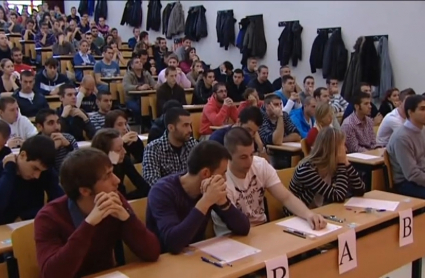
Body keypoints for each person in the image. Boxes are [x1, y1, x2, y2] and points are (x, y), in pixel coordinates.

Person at [34, 148, 160, 278]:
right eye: (107, 176)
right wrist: (89, 224)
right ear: (85, 191)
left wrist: (128, 219)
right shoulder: (49, 217)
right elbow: (51, 274)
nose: (117, 180)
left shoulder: (114, 199)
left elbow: (152, 252)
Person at [212, 127, 327, 236]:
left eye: (251, 154)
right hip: (232, 236)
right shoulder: (221, 179)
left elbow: (286, 197)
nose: (249, 161)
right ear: (228, 156)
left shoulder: (260, 165)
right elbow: (234, 225)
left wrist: (309, 214)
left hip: (261, 230)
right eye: (243, 157)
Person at [147, 140, 250, 253]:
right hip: (165, 261)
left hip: (197, 255)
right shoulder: (161, 191)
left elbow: (243, 228)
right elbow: (173, 243)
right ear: (205, 173)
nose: (225, 179)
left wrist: (223, 203)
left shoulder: (208, 187)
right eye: (222, 173)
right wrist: (205, 201)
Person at [289, 127, 365, 210]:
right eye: (343, 145)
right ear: (333, 150)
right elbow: (339, 196)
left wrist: (347, 164)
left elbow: (360, 190)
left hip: (321, 212)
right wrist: (341, 164)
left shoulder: (331, 165)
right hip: (299, 216)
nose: (346, 149)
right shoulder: (306, 170)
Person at [0, 135, 64, 225]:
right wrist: (10, 170)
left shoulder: (44, 171)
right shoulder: (5, 170)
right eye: (35, 168)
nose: (37, 176)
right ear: (22, 155)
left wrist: (24, 216)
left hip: (31, 225)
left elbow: (60, 203)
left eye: (41, 171)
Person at [143, 107, 198, 186]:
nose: (190, 130)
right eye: (185, 125)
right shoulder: (153, 149)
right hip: (166, 195)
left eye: (190, 125)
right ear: (171, 128)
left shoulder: (193, 145)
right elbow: (153, 181)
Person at [92, 129, 150, 199]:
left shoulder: (124, 160)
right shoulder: (95, 171)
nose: (124, 151)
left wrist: (124, 199)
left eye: (123, 146)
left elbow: (145, 187)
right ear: (105, 153)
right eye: (118, 150)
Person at [387, 95, 425, 199]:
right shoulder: (401, 138)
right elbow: (412, 174)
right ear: (410, 112)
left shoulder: (422, 130)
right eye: (422, 109)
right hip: (406, 183)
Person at [259, 94, 300, 169]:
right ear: (267, 106)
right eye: (276, 104)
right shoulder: (260, 116)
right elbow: (275, 141)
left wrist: (281, 139)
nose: (279, 107)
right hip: (269, 154)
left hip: (284, 151)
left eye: (280, 104)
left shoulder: (284, 114)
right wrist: (280, 117)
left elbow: (297, 135)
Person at [123, 57, 157, 124]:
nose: (140, 63)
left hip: (146, 97)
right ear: (132, 66)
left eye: (140, 62)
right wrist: (139, 87)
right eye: (137, 62)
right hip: (132, 98)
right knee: (138, 109)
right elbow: (126, 87)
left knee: (154, 105)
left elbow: (154, 84)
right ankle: (141, 124)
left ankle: (150, 123)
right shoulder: (128, 75)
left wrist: (153, 87)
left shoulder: (146, 73)